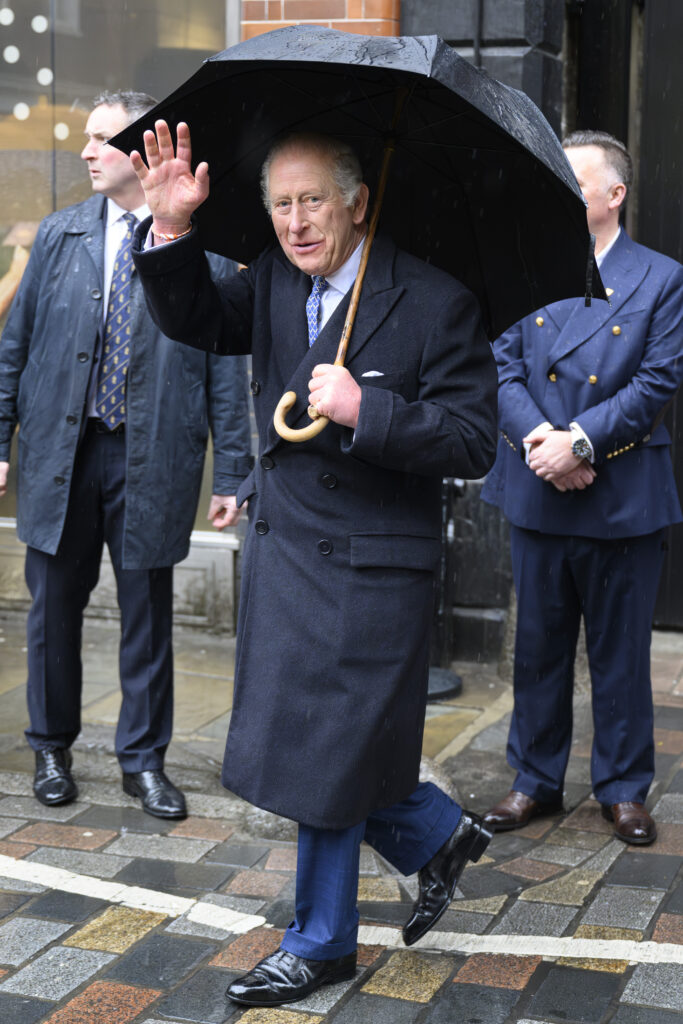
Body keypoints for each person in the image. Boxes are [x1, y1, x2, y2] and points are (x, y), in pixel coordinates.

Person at [129, 122, 498, 1006]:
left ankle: (322, 941)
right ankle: (433, 833)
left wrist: (367, 408)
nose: (296, 222)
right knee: (299, 742)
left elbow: (474, 437)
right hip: (287, 550)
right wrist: (174, 232)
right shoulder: (269, 278)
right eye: (281, 204)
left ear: (358, 201)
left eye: (313, 202)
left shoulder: (434, 297)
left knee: (322, 747)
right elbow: (194, 320)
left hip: (371, 565)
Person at [0, 91, 252, 820]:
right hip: (61, 453)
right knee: (52, 610)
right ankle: (50, 747)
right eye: (86, 137)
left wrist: (233, 469)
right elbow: (14, 347)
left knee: (147, 612)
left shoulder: (195, 245)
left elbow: (223, 366)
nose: (85, 150)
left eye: (102, 138)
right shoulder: (58, 235)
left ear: (141, 152)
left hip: (151, 456)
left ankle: (144, 763)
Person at [481, 130, 683, 845]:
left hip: (619, 490)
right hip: (538, 482)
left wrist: (580, 442)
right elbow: (499, 367)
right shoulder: (525, 267)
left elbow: (657, 381)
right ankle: (532, 780)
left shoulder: (660, 277)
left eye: (573, 182)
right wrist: (544, 443)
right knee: (536, 646)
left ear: (613, 195)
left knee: (620, 653)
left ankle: (622, 788)